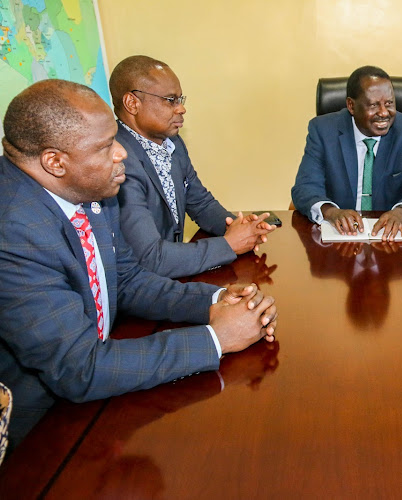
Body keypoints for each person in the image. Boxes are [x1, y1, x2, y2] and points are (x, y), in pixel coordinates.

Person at [0, 80, 278, 452]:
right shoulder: (13, 229)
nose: (122, 155)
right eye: (105, 148)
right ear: (55, 161)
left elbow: (127, 280)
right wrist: (217, 338)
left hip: (95, 390)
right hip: (37, 427)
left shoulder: (87, 188)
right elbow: (78, 369)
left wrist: (216, 299)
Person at [110, 55, 275, 278]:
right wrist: (229, 244)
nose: (181, 109)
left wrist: (238, 228)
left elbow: (199, 201)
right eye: (170, 100)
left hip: (173, 274)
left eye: (180, 99)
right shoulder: (116, 160)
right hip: (138, 286)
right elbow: (151, 258)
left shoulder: (172, 143)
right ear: (132, 103)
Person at [291, 65, 402, 241]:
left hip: (391, 242)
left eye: (389, 103)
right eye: (374, 105)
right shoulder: (323, 131)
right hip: (338, 242)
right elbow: (305, 187)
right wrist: (330, 211)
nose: (384, 113)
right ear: (351, 106)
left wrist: (401, 212)